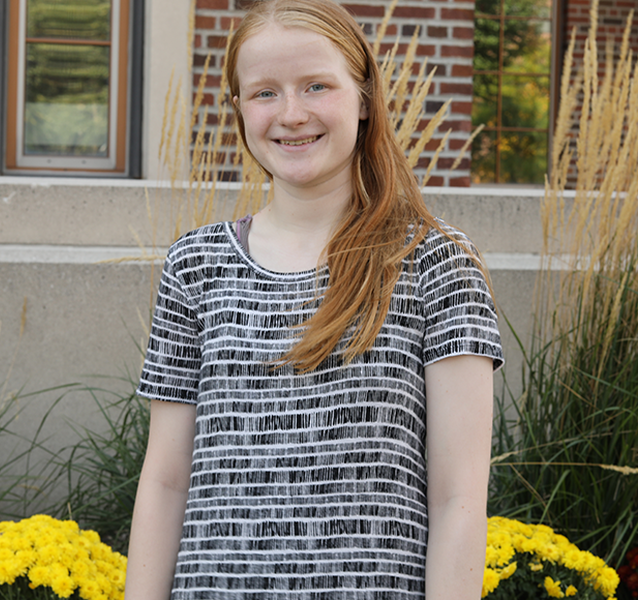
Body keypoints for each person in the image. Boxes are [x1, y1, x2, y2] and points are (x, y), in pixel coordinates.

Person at [124, 0, 503, 596]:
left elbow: (459, 499)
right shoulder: (195, 265)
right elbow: (166, 481)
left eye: (316, 86)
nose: (291, 114)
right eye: (264, 92)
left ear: (364, 96)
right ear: (239, 108)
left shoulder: (435, 263)